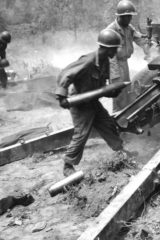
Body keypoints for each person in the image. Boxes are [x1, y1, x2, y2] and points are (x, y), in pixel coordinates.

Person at [55, 29, 136, 177]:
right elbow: (66, 74)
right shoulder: (88, 60)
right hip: (79, 103)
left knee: (107, 124)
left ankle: (120, 151)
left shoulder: (105, 62)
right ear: (106, 48)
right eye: (114, 49)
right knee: (82, 133)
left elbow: (101, 87)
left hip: (92, 102)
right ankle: (68, 165)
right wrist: (61, 94)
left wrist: (113, 91)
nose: (115, 51)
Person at [107, 0, 148, 112]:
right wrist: (115, 77)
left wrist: (149, 48)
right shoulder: (111, 30)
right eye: (128, 16)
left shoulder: (128, 28)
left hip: (124, 64)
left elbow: (139, 39)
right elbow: (110, 56)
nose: (130, 19)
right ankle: (116, 118)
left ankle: (126, 117)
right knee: (118, 96)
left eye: (130, 16)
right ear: (120, 16)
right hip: (115, 66)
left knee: (127, 93)